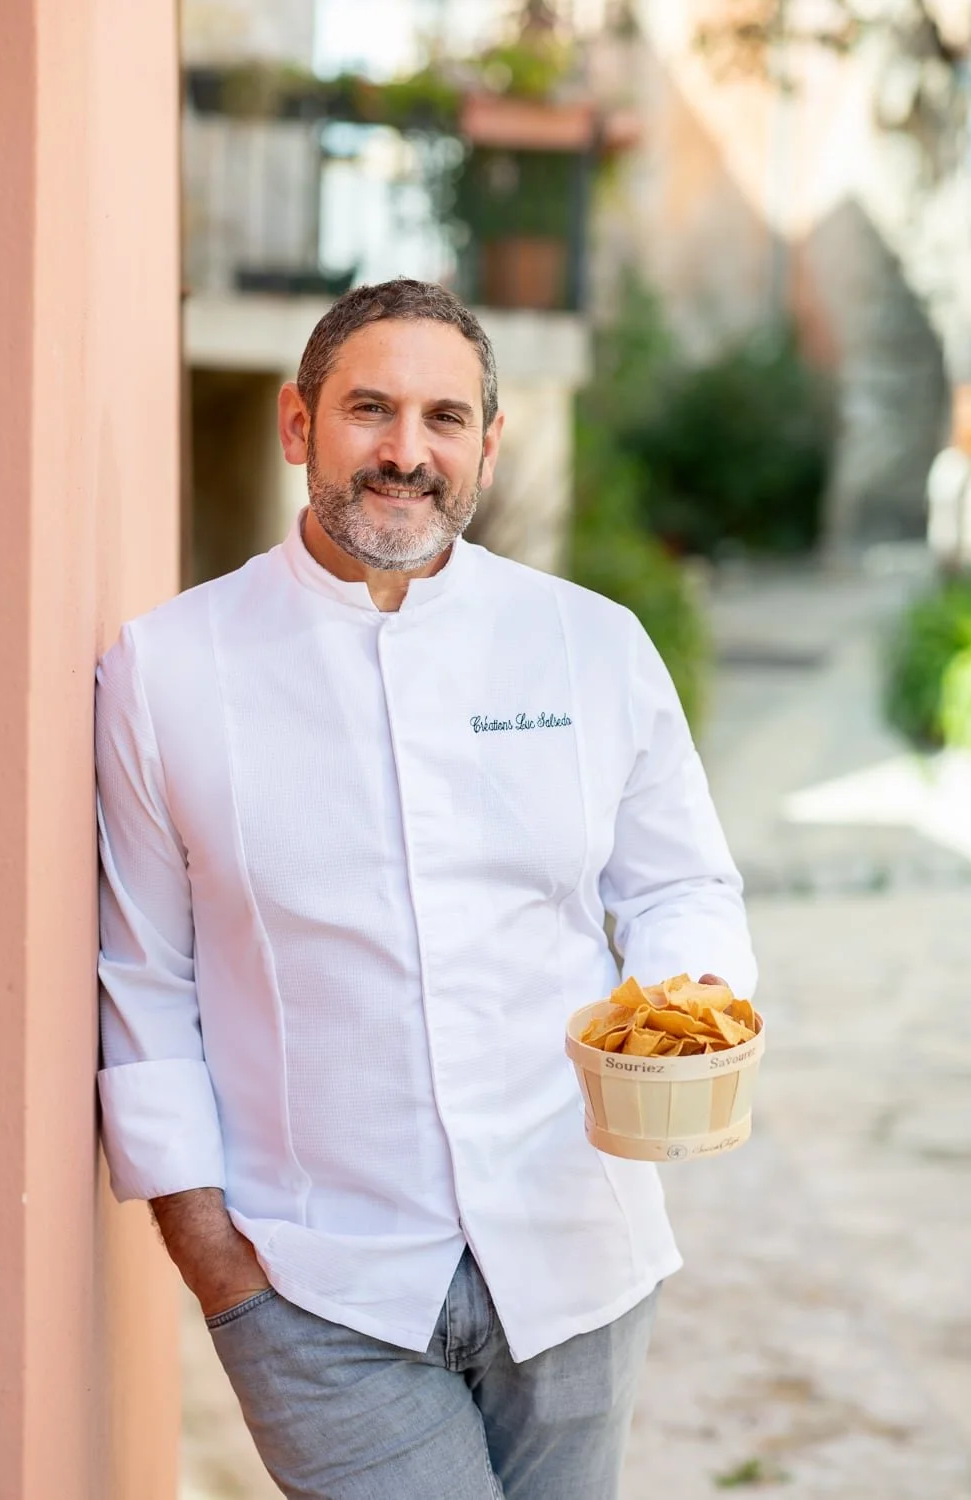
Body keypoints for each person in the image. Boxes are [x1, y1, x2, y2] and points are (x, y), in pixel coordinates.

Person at [96, 278, 756, 1500]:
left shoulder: (590, 645)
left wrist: (693, 993)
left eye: (445, 418)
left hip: (575, 1260)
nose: (407, 453)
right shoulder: (167, 669)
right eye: (370, 410)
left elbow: (677, 880)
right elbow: (144, 973)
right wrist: (215, 1261)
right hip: (317, 1284)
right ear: (298, 425)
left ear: (487, 447)